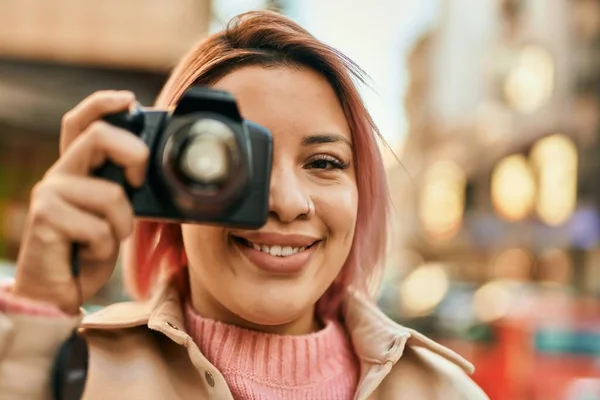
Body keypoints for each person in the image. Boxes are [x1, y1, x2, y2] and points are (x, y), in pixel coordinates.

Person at [0, 11, 488, 400]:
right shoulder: (70, 375)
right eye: (231, 164)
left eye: (323, 162)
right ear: (166, 184)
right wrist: (37, 317)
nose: (288, 203)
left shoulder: (445, 392)